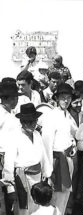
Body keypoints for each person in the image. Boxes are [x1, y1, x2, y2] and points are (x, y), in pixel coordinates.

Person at [3, 103, 51, 215]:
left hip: (38, 178)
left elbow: (43, 157)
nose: (32, 124)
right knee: (23, 209)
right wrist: (10, 188)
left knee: (38, 208)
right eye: (28, 122)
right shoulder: (14, 136)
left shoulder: (37, 135)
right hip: (22, 179)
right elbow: (8, 163)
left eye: (34, 121)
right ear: (22, 122)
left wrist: (47, 175)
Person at [42, 83, 77, 215]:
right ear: (57, 98)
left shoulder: (67, 114)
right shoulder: (51, 116)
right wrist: (48, 171)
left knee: (64, 196)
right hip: (56, 161)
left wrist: (73, 143)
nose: (66, 101)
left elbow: (73, 133)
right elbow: (47, 144)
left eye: (68, 98)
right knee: (55, 197)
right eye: (63, 97)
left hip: (67, 159)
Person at [0, 81, 21, 215]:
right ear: (6, 99)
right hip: (3, 157)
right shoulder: (2, 115)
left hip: (11, 156)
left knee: (10, 195)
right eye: (14, 98)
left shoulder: (11, 115)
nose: (16, 100)